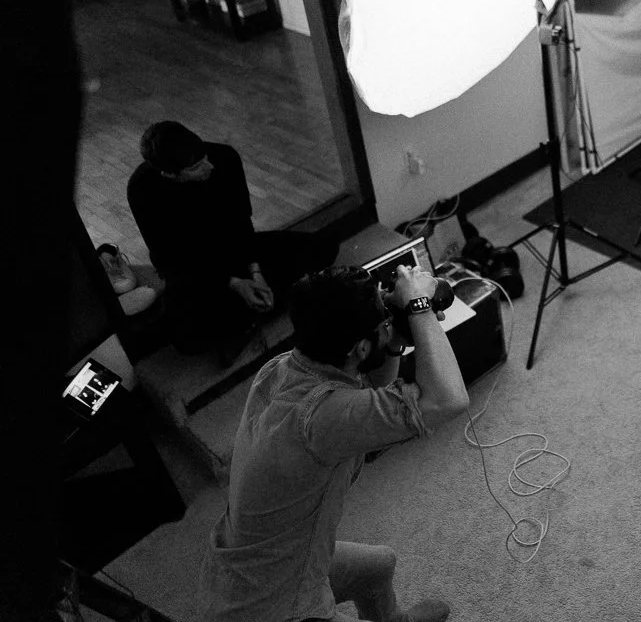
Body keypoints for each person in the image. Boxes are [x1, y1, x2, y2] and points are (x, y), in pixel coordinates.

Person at [197, 264, 469, 622]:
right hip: (271, 608)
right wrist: (418, 304)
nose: (389, 315)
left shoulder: (285, 367)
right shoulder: (322, 417)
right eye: (382, 319)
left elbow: (372, 392)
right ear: (358, 348)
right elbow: (448, 399)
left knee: (379, 565)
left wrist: (391, 343)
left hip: (251, 567)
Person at [127, 120, 340, 362]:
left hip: (236, 250)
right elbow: (169, 260)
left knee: (325, 246)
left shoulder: (224, 157)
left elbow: (242, 225)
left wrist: (255, 272)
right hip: (196, 269)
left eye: (205, 157)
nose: (209, 166)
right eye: (197, 167)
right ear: (169, 174)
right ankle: (264, 308)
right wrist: (234, 283)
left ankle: (249, 316)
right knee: (184, 339)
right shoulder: (142, 189)